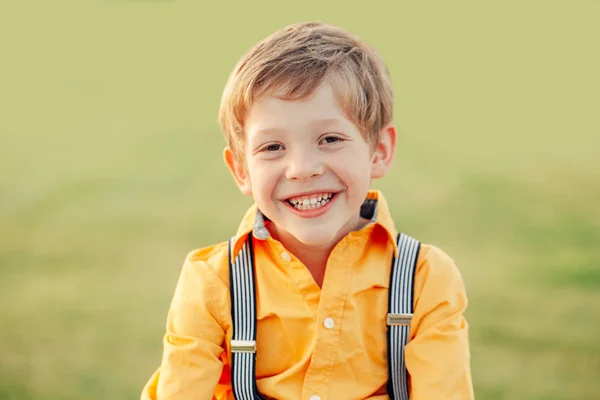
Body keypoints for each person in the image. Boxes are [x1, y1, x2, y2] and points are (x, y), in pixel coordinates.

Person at [142, 21, 474, 400]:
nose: (302, 168)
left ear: (379, 151)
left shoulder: (424, 280)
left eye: (330, 139)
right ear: (241, 170)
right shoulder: (213, 283)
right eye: (272, 147)